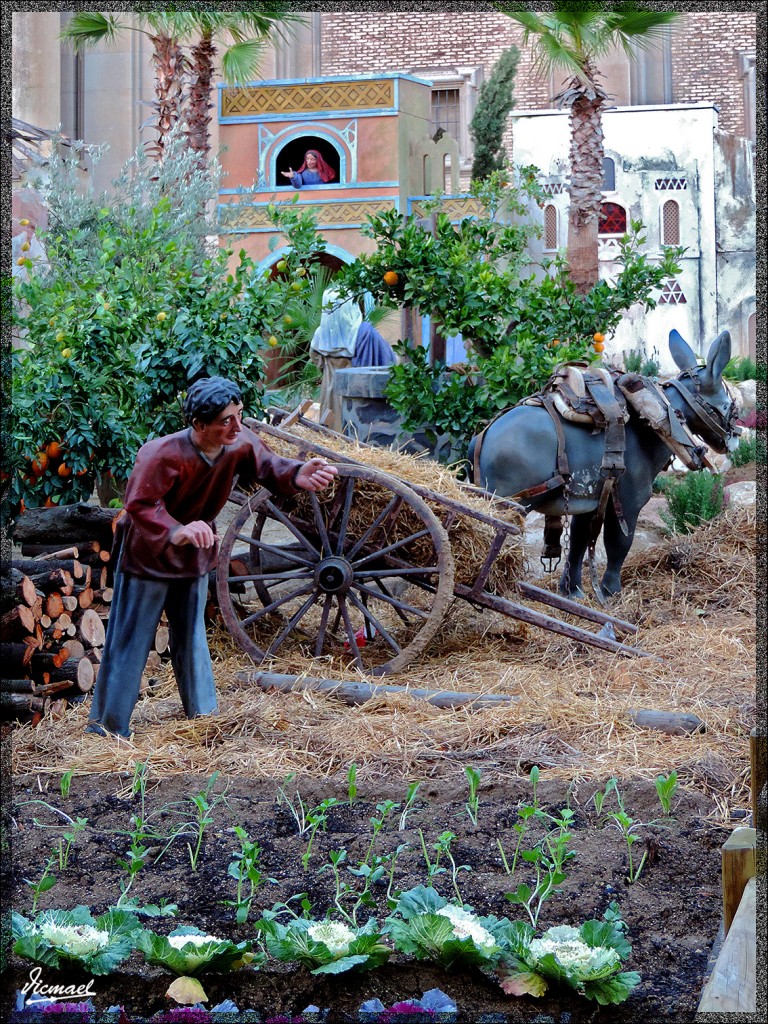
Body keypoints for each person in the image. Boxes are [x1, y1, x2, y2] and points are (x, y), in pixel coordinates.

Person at [86, 376, 337, 739]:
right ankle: (108, 727)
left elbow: (269, 466)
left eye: (239, 415)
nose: (237, 426)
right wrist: (176, 530)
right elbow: (140, 504)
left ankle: (204, 718)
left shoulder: (238, 444)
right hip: (149, 556)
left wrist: (299, 473)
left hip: (196, 555)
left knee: (191, 634)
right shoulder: (160, 453)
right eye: (226, 420)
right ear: (199, 425)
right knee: (131, 638)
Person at [309, 288, 396, 430]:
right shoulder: (365, 332)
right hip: (356, 393)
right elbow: (387, 361)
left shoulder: (320, 333)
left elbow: (316, 359)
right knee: (355, 433)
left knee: (333, 431)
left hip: (331, 390)